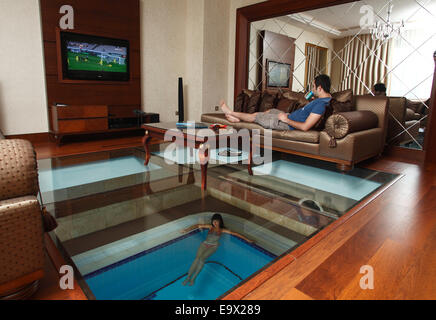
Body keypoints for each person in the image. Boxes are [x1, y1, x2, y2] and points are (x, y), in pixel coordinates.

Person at [220, 74, 332, 132]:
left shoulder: (320, 105)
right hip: (288, 117)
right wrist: (311, 102)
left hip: (286, 123)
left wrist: (286, 120)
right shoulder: (323, 99)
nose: (312, 89)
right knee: (268, 111)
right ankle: (237, 119)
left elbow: (305, 127)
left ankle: (230, 112)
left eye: (313, 87)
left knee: (256, 116)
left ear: (320, 88)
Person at [180, 213, 253, 286]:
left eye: (216, 221)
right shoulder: (210, 226)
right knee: (197, 258)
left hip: (213, 246)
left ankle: (194, 278)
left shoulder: (222, 230)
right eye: (213, 221)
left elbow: (235, 234)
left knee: (202, 259)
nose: (214, 223)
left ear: (220, 221)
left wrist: (247, 240)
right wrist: (187, 230)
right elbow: (197, 225)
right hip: (205, 243)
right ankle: (188, 277)